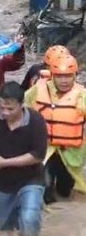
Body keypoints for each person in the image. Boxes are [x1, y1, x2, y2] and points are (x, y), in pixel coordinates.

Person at [0, 81, 47, 236]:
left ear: (22, 105)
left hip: (31, 178)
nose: (5, 112)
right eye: (2, 107)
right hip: (2, 181)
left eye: (10, 109)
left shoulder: (36, 121)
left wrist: (4, 163)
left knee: (29, 219)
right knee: (5, 228)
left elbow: (38, 156)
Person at [25, 54, 86, 204]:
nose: (64, 80)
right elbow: (21, 110)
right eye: (59, 76)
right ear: (52, 75)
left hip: (71, 151)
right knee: (45, 190)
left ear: (75, 76)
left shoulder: (82, 95)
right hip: (45, 149)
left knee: (65, 191)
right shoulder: (38, 90)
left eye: (68, 76)